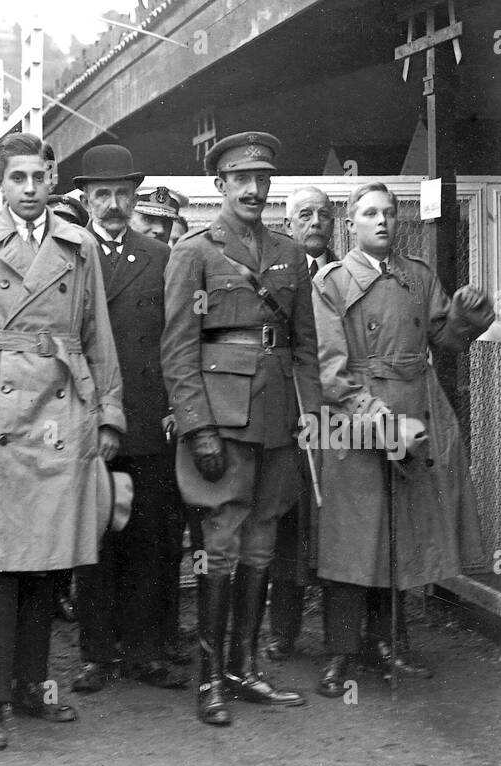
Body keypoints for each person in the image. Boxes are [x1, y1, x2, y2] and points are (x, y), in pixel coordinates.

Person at [0, 132, 125, 751]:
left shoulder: (79, 244)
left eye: (40, 177)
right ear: (0, 181)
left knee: (46, 565)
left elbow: (98, 336)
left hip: (62, 412)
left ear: (52, 179)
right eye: (19, 179)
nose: (31, 190)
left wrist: (110, 413)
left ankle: (35, 686)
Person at [311, 181, 493, 696]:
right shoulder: (331, 282)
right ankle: (341, 653)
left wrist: (465, 312)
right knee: (352, 538)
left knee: (399, 535)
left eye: (389, 213)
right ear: (350, 225)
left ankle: (388, 642)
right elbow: (331, 371)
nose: (382, 221)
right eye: (369, 214)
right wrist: (380, 421)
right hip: (357, 417)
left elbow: (445, 340)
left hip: (417, 408)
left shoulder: (417, 275)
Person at [162, 131, 317, 726]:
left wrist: (311, 418)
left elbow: (305, 345)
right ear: (220, 186)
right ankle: (209, 681)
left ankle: (246, 669)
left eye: (263, 179)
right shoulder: (195, 252)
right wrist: (197, 426)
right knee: (220, 547)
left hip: (279, 418)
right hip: (222, 419)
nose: (254, 189)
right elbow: (178, 349)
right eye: (241, 180)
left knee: (262, 541)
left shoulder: (289, 253)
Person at [71, 145, 188, 694]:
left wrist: (173, 408)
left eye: (122, 194)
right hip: (89, 419)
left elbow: (175, 341)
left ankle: (145, 649)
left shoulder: (161, 257)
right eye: (102, 195)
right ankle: (97, 653)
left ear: (134, 197)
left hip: (148, 418)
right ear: (86, 200)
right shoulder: (70, 253)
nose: (113, 205)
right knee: (95, 538)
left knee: (150, 537)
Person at [263, 186, 337, 662]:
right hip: (288, 411)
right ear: (289, 224)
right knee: (287, 524)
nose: (314, 222)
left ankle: (340, 639)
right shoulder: (275, 272)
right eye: (304, 215)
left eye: (323, 215)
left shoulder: (346, 273)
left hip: (339, 416)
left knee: (336, 526)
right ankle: (283, 632)